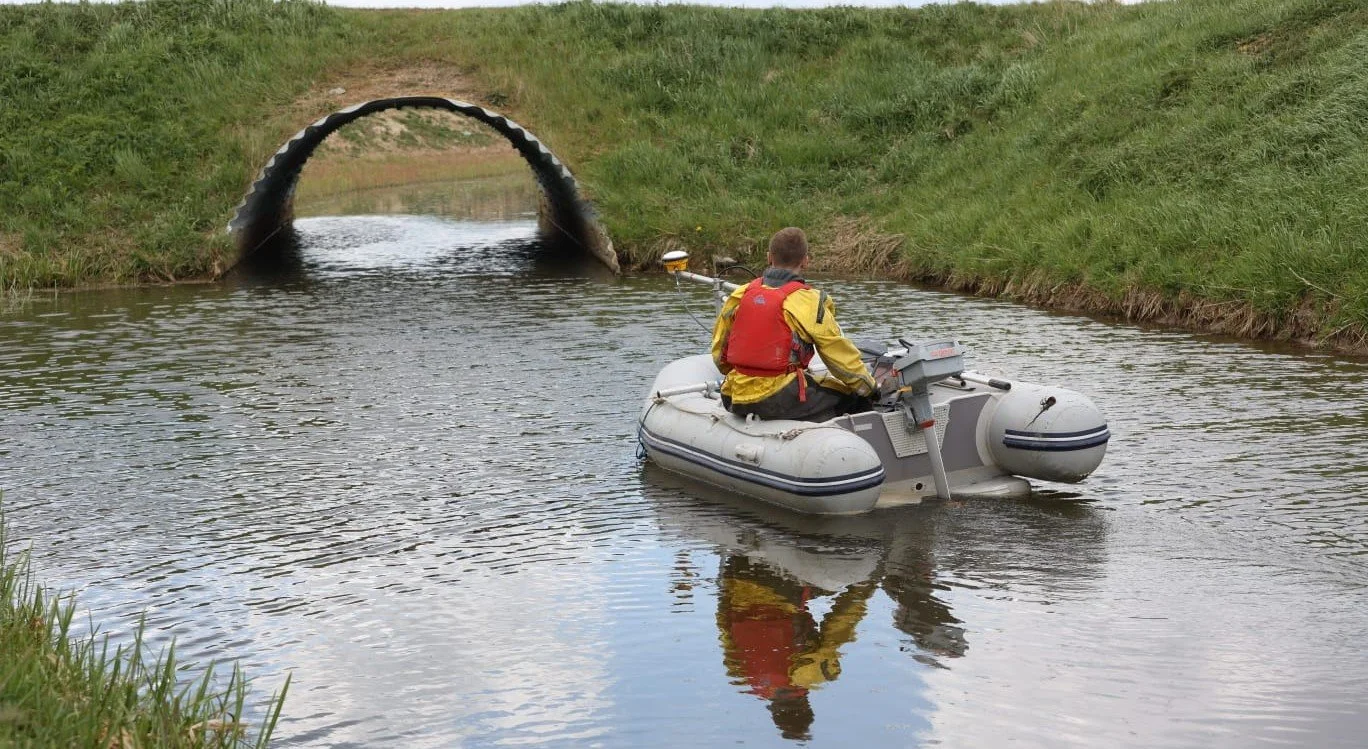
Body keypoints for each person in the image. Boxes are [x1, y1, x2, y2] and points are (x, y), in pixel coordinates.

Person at [710, 227, 876, 422]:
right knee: (853, 397)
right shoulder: (811, 302)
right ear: (806, 261)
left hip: (733, 395)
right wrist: (870, 389)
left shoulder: (740, 294)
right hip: (779, 398)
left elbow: (719, 351)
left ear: (769, 257)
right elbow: (840, 359)